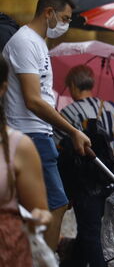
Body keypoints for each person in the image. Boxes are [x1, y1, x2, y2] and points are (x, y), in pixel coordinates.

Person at [2, 0, 91, 249]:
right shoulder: (25, 42)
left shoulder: (38, 43)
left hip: (40, 133)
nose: (65, 25)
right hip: (30, 133)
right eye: (64, 19)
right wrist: (73, 130)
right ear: (48, 12)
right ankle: (44, 259)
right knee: (57, 203)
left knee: (38, 208)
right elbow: (33, 99)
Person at [54, 64, 114, 267]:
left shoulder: (68, 113)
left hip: (85, 181)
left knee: (90, 231)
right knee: (93, 229)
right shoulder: (112, 109)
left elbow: (58, 147)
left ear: (74, 85)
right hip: (111, 177)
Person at [0, 56, 52, 265]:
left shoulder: (19, 146)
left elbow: (40, 211)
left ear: (2, 89)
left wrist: (39, 217)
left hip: (7, 252)